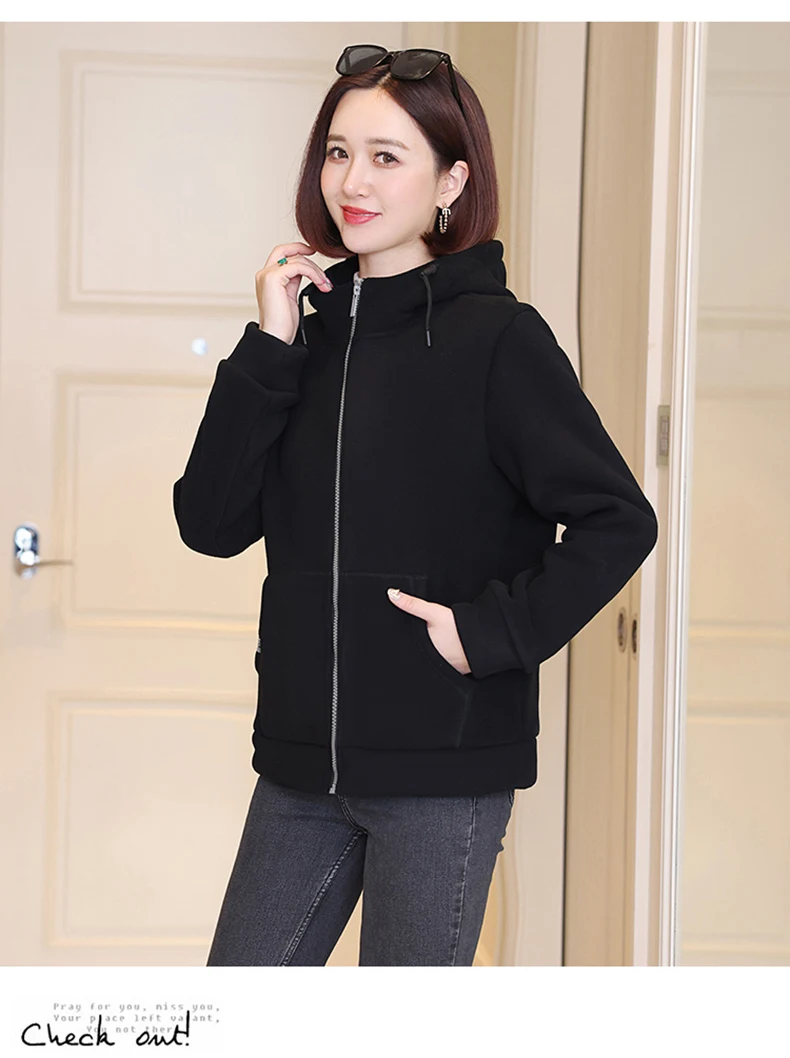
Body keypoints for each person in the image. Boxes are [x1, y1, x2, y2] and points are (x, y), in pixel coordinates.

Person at [172, 45, 659, 967]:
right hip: (299, 767)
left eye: (387, 157)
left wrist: (492, 633)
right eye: (338, 152)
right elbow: (210, 523)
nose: (352, 181)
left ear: (451, 180)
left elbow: (618, 517)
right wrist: (271, 345)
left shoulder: (500, 339)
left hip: (444, 770)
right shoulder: (301, 338)